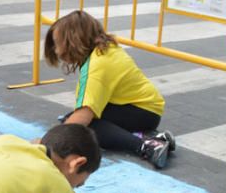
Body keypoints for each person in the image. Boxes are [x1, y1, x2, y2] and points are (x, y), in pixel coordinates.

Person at [45, 10, 174, 169]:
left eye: (57, 43)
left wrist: (48, 146)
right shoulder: (106, 49)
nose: (56, 51)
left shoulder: (96, 66)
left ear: (72, 41)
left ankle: (146, 146)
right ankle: (154, 137)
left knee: (85, 128)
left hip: (142, 112)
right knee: (70, 119)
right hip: (145, 109)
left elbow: (83, 116)